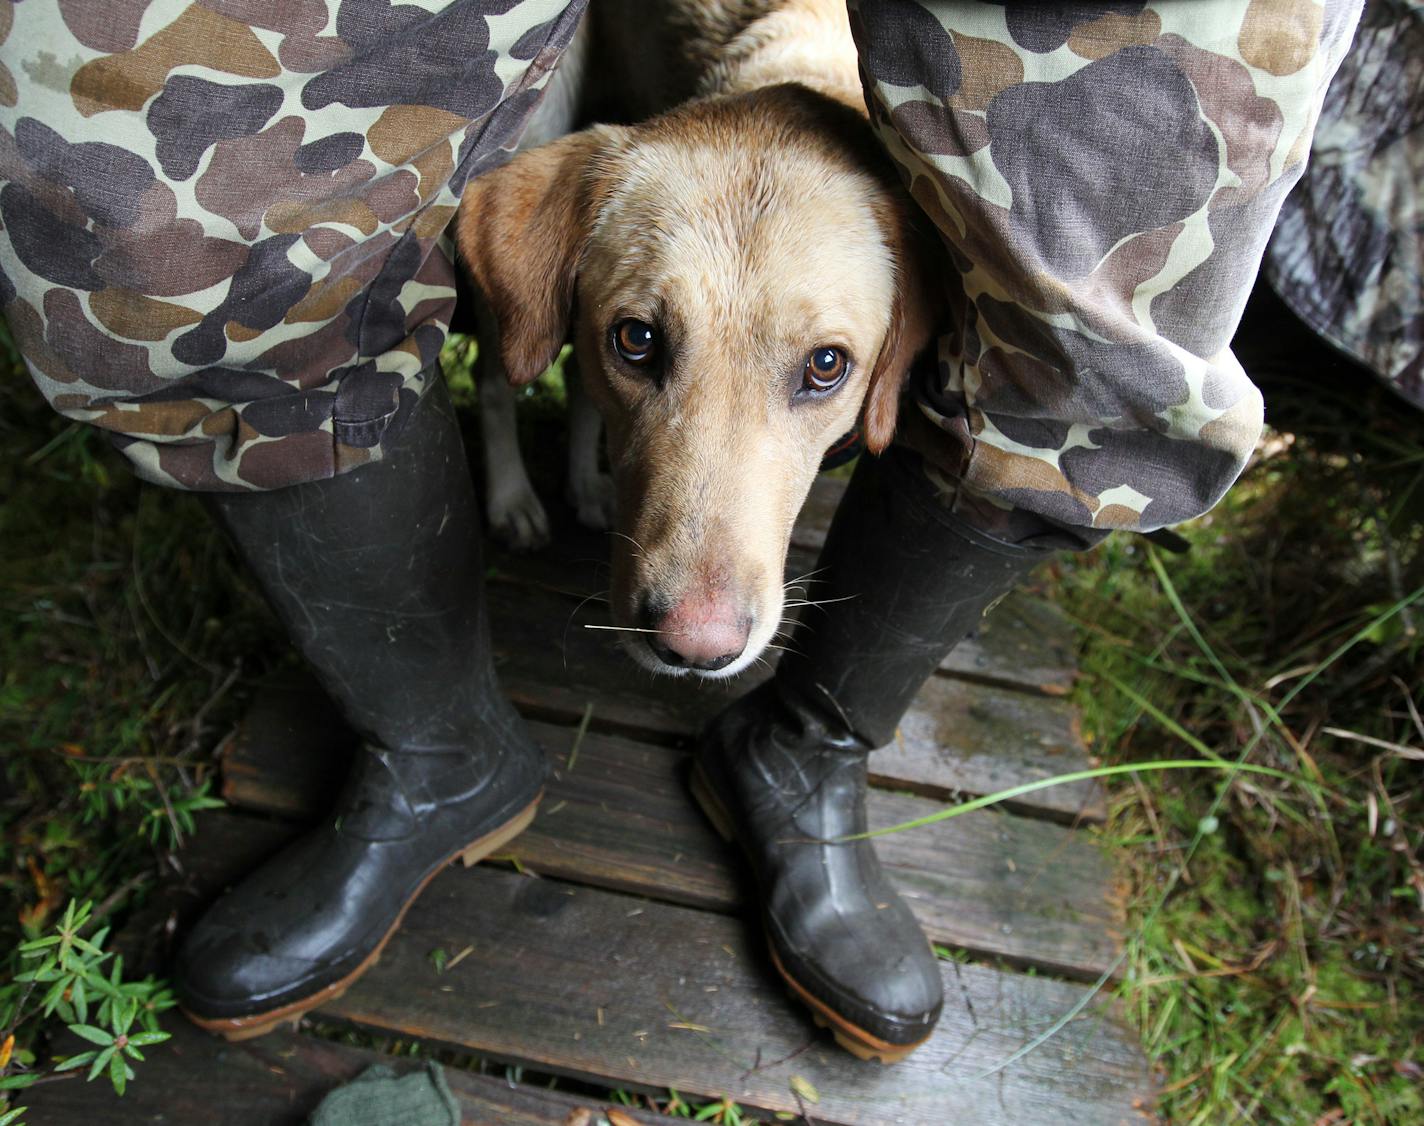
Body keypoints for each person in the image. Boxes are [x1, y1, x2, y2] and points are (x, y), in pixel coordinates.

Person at [0, 0, 1362, 1055]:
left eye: (823, 370)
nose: (698, 593)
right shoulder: (589, 194)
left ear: (891, 362)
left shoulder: (910, 278)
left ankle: (803, 748)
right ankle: (439, 753)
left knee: (1110, 284)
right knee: (168, 196)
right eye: (642, 339)